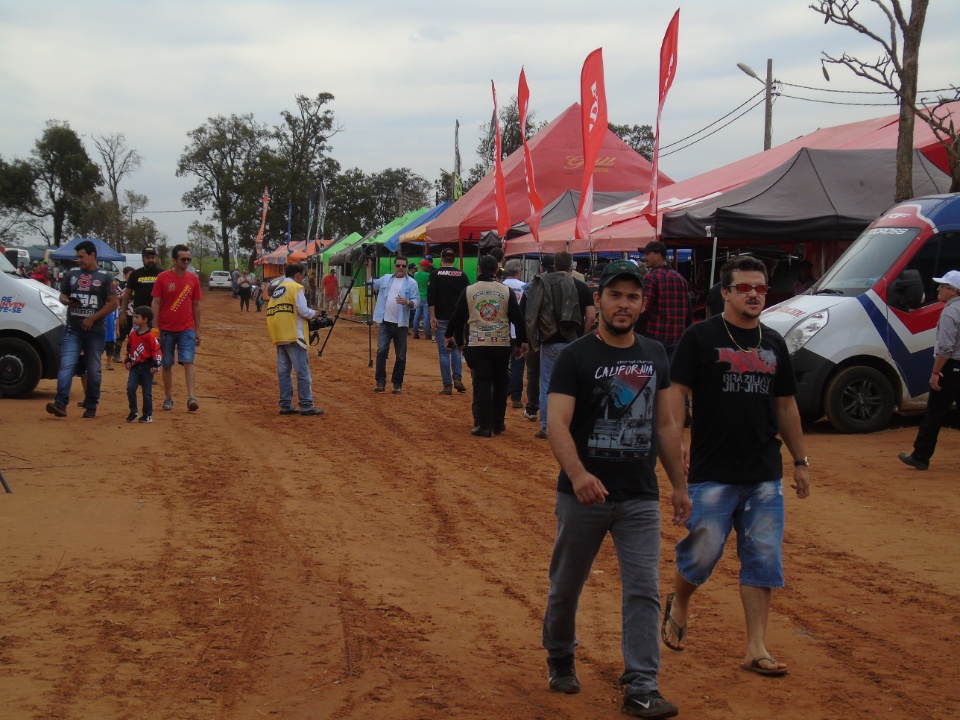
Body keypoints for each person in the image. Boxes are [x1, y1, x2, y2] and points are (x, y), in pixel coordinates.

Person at [542, 260, 690, 720]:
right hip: (582, 495)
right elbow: (556, 424)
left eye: (632, 297)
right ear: (598, 301)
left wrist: (680, 486)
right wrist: (580, 474)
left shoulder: (654, 355)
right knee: (567, 585)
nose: (623, 304)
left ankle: (642, 686)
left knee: (643, 590)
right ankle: (560, 655)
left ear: (643, 305)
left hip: (639, 496)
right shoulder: (576, 356)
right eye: (615, 295)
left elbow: (665, 425)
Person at [663, 255, 811, 678]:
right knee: (703, 553)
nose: (753, 295)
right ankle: (682, 600)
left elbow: (785, 405)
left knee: (763, 557)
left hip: (764, 470)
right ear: (725, 292)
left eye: (760, 288)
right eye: (744, 287)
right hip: (712, 468)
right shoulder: (700, 337)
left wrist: (799, 460)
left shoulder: (773, 342)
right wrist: (676, 443)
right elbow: (676, 393)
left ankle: (755, 647)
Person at [444, 254, 527, 437]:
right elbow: (518, 319)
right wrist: (521, 342)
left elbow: (457, 316)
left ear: (479, 269)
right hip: (501, 343)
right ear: (497, 271)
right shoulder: (506, 291)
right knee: (500, 383)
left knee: (482, 384)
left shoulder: (469, 290)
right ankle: (498, 423)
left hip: (478, 344)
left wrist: (449, 335)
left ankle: (484, 425)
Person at [525, 251, 595, 440]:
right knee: (576, 385)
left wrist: (530, 342)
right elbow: (591, 315)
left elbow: (532, 314)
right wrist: (584, 335)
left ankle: (547, 427)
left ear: (555, 266)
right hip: (575, 343)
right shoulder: (581, 286)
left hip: (549, 341)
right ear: (571, 267)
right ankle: (573, 427)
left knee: (548, 384)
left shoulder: (544, 283)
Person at [45, 240, 120, 419]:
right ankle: (61, 403)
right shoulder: (72, 274)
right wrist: (66, 301)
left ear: (92, 255)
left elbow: (113, 303)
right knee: (67, 365)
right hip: (73, 328)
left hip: (95, 331)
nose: (78, 260)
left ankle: (92, 404)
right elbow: (62, 294)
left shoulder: (105, 276)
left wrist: (92, 318)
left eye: (81, 256)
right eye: (77, 257)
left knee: (93, 368)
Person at [898, 269, 960, 470]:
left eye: (943, 286)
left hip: (951, 368)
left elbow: (945, 348)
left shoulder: (951, 312)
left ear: (954, 291)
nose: (939, 289)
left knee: (934, 413)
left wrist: (935, 373)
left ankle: (921, 456)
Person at [266, 263, 325, 416]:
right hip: (294, 335)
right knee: (302, 373)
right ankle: (306, 405)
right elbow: (303, 310)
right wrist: (315, 314)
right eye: (303, 275)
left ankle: (285, 404)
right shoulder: (295, 288)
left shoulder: (277, 290)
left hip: (279, 335)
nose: (303, 279)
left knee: (284, 373)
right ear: (298, 275)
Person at [151, 244, 203, 412]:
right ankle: (168, 398)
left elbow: (196, 304)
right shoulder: (162, 278)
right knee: (167, 364)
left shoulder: (193, 279)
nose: (186, 261)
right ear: (174, 260)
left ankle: (191, 397)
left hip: (186, 329)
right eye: (183, 259)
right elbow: (156, 302)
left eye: (188, 259)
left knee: (188, 361)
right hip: (165, 329)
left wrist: (198, 330)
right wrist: (155, 328)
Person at [636, 241, 690, 364]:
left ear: (658, 255)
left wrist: (635, 332)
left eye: (647, 254)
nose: (644, 258)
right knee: (669, 378)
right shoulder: (680, 278)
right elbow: (688, 310)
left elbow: (644, 308)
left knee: (652, 376)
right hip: (676, 337)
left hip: (654, 337)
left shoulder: (651, 278)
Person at [371, 255, 419, 394]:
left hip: (401, 324)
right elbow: (371, 283)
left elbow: (416, 301)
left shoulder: (411, 283)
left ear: (406, 267)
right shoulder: (386, 278)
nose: (400, 268)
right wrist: (369, 267)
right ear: (394, 266)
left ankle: (397, 383)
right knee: (381, 351)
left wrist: (407, 302)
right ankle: (380, 381)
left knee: (401, 355)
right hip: (385, 322)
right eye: (398, 265)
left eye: (403, 266)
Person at [428, 248, 470, 395]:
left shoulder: (435, 274)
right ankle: (457, 377)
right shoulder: (462, 275)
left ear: (441, 258)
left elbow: (431, 297)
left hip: (441, 317)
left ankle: (447, 385)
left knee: (444, 352)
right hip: (457, 318)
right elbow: (467, 299)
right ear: (453, 259)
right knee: (457, 348)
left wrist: (432, 317)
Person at [124, 305, 162, 424]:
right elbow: (129, 349)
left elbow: (156, 351)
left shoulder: (151, 336)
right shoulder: (133, 335)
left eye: (137, 317)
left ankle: (147, 414)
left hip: (147, 367)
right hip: (135, 367)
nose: (134, 319)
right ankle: (133, 411)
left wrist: (156, 365)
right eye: (134, 317)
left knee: (146, 392)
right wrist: (128, 360)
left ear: (145, 320)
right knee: (130, 388)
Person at [502, 259, 527, 410]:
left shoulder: (500, 286)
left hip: (503, 330)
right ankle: (516, 397)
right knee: (518, 364)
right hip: (519, 330)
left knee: (503, 363)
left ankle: (505, 390)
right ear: (518, 272)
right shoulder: (525, 286)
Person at [119, 247, 161, 336]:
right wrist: (122, 313)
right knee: (139, 343)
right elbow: (127, 294)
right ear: (143, 259)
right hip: (139, 316)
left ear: (156, 258)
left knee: (157, 345)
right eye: (148, 257)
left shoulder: (162, 274)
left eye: (152, 257)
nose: (150, 260)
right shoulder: (135, 274)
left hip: (158, 317)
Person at [412, 259, 433, 340]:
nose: (428, 267)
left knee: (417, 315)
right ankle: (427, 334)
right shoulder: (428, 275)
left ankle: (415, 333)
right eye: (427, 266)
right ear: (424, 266)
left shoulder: (416, 274)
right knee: (426, 316)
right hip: (426, 297)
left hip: (418, 297)